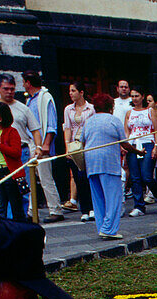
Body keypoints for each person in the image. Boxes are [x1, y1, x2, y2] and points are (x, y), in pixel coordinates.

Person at [82, 93, 135, 240]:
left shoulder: (89, 121)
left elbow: (82, 140)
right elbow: (124, 143)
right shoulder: (114, 120)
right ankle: (109, 229)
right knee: (113, 197)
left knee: (98, 197)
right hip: (108, 163)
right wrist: (137, 151)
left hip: (91, 163)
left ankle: (102, 227)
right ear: (110, 107)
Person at [21, 71, 64, 223]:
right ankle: (31, 211)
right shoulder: (30, 100)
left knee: (45, 178)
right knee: (31, 178)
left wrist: (46, 144)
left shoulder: (45, 98)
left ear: (28, 83)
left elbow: (51, 124)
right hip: (31, 143)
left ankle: (55, 209)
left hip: (41, 144)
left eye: (24, 82)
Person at [124, 88, 157, 217]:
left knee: (146, 175)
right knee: (135, 177)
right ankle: (139, 205)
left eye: (137, 96)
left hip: (147, 143)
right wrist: (126, 145)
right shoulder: (129, 112)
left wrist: (156, 147)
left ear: (142, 96)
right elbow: (127, 131)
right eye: (132, 96)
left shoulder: (150, 111)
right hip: (133, 144)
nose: (134, 98)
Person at [62, 81, 95, 222]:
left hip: (87, 143)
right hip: (74, 144)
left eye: (73, 90)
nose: (71, 93)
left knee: (88, 177)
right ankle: (84, 209)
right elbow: (67, 128)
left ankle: (93, 207)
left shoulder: (91, 108)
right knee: (77, 177)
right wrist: (67, 147)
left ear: (81, 92)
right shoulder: (68, 109)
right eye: (70, 91)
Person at [0, 75, 41, 176]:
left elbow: (35, 130)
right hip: (0, 154)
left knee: (24, 187)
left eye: (12, 89)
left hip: (21, 151)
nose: (9, 92)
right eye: (6, 89)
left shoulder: (23, 108)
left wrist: (38, 147)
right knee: (4, 188)